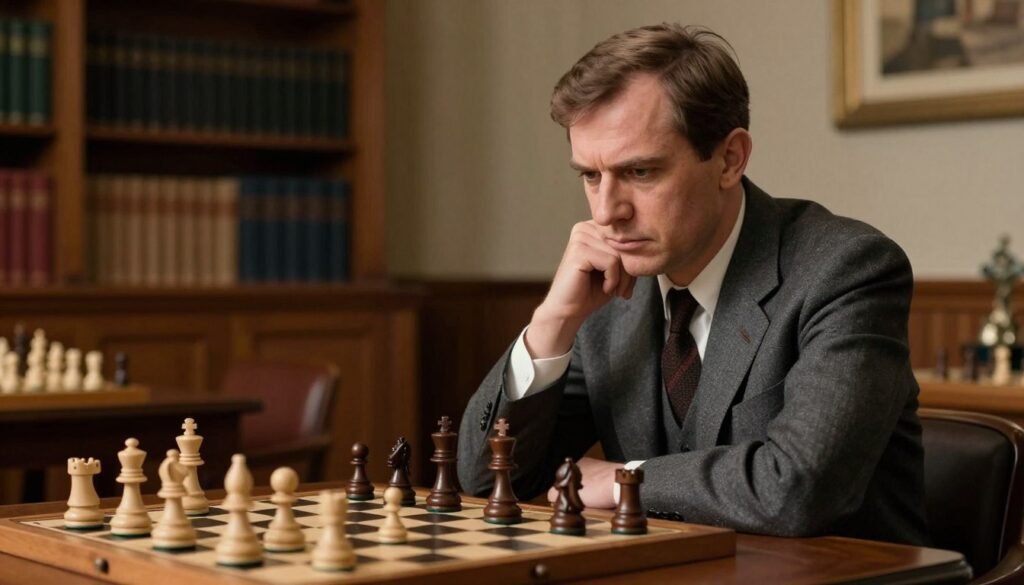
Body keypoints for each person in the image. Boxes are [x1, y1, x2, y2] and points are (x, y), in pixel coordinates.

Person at [457, 23, 927, 545]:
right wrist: (552, 323)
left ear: (730, 159)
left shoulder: (846, 269)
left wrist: (625, 479)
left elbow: (798, 489)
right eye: (590, 175)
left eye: (640, 172)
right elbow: (487, 480)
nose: (607, 212)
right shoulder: (609, 293)